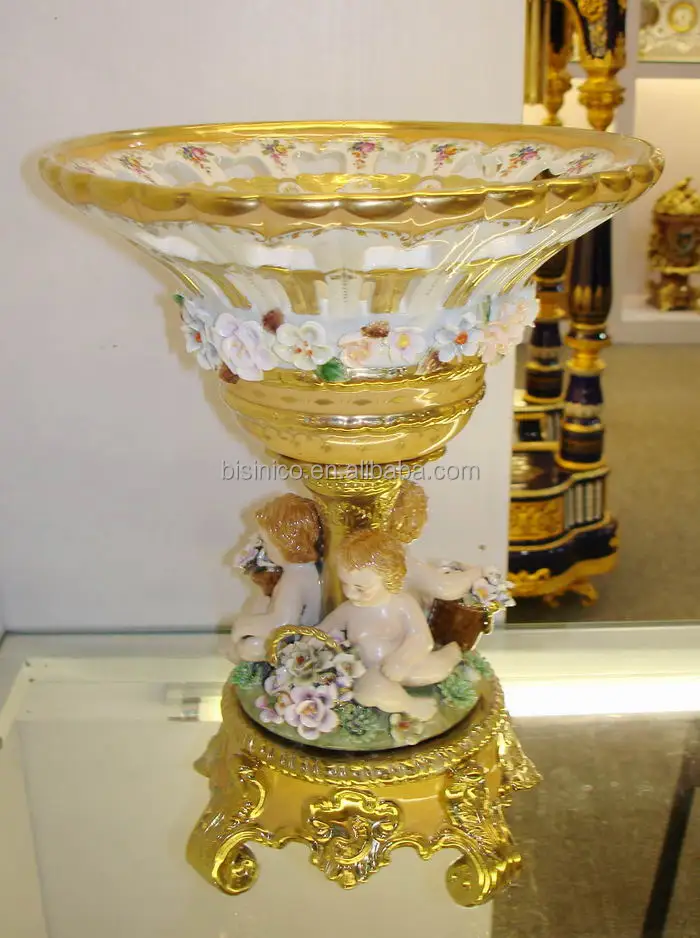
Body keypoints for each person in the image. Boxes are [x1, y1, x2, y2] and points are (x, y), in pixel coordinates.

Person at [318, 529, 460, 721]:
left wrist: (401, 660)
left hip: (405, 666)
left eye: (361, 588)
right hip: (369, 673)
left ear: (389, 578)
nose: (350, 594)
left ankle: (452, 654)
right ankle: (411, 705)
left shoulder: (402, 603)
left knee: (437, 670)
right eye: (345, 584)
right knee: (369, 690)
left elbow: (421, 638)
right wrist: (306, 645)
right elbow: (321, 631)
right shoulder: (348, 610)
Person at [229, 494, 322, 662]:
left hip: (296, 642)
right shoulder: (302, 571)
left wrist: (242, 627)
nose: (264, 549)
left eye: (266, 542)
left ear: (284, 543)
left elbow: (281, 624)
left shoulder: (294, 580)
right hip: (296, 630)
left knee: (251, 647)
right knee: (261, 603)